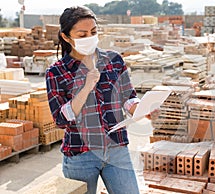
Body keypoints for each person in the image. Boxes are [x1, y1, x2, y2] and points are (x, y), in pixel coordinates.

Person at [45, 6, 142, 194]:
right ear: (66, 37)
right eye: (82, 35)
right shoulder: (56, 72)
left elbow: (128, 97)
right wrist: (86, 87)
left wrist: (139, 108)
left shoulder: (114, 60)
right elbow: (60, 119)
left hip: (116, 149)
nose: (89, 37)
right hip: (81, 154)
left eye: (93, 32)